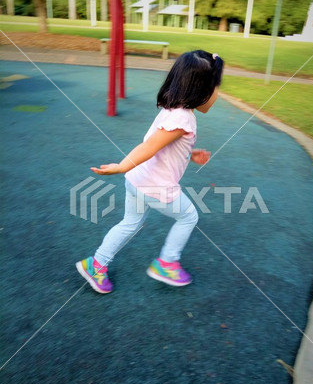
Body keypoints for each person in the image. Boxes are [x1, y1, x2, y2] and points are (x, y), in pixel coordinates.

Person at [76, 50, 224, 293]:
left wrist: (189, 153)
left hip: (138, 181)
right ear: (200, 89)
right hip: (155, 186)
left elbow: (164, 147)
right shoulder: (183, 118)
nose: (217, 94)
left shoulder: (173, 108)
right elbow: (149, 146)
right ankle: (167, 262)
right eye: (215, 87)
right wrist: (121, 165)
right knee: (188, 217)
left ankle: (96, 264)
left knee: (130, 223)